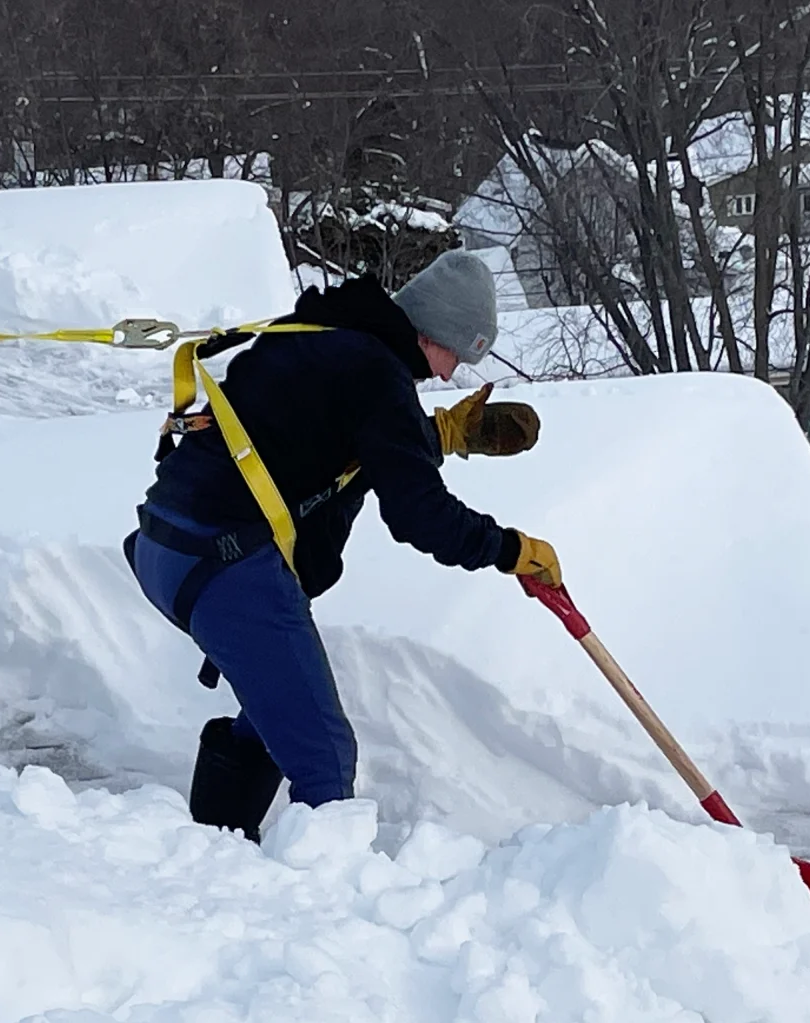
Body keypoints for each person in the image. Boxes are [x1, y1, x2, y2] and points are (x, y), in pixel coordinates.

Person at [127, 249, 560, 842]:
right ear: (430, 331)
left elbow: (321, 436)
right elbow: (419, 515)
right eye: (455, 353)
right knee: (324, 756)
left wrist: (438, 434)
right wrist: (508, 549)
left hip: (168, 546)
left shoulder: (328, 335)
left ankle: (211, 856)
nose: (446, 374)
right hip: (222, 561)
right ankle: (316, 908)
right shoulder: (375, 373)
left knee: (278, 710)